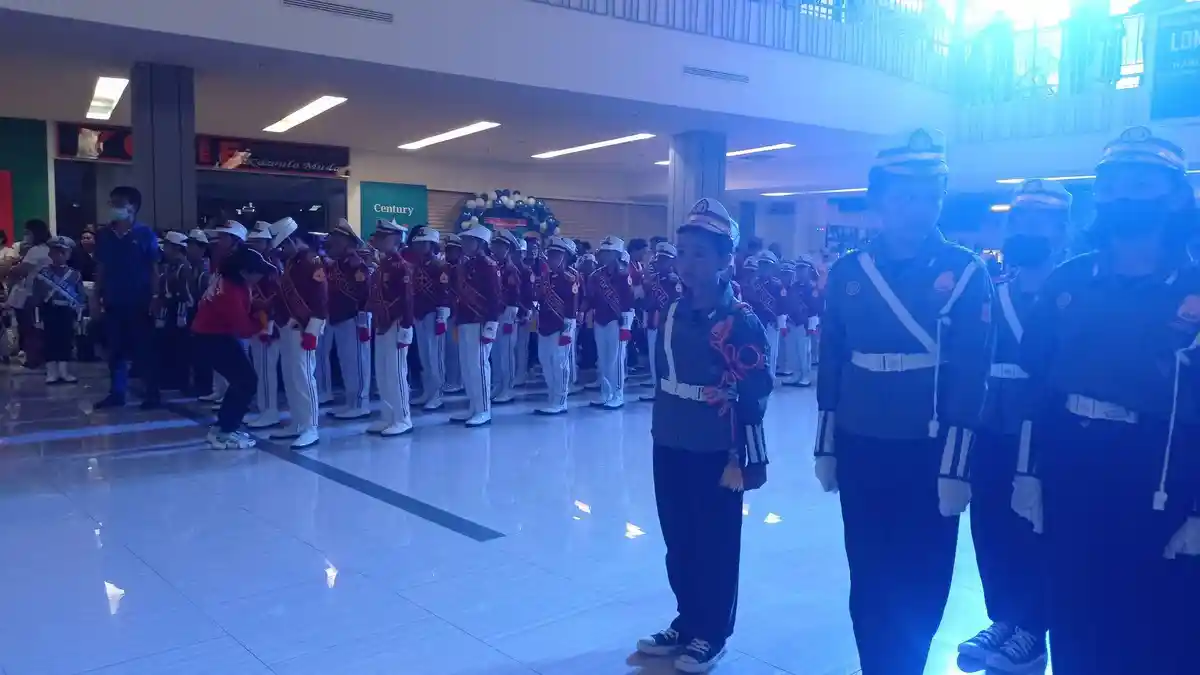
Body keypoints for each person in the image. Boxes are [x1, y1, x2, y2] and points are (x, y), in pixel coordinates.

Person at [1018, 127, 1200, 675]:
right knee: (1076, 617)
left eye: (1141, 185)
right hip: (1072, 468)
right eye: (1114, 185)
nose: (1125, 197)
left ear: (1174, 195)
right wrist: (1028, 472)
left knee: (1161, 631)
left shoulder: (1193, 285)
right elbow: (1037, 387)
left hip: (1163, 473)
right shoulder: (1068, 282)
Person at [813, 129, 994, 675]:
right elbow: (832, 359)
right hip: (861, 440)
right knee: (868, 571)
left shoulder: (966, 271)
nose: (918, 207)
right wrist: (826, 445)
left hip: (928, 446)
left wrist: (957, 467)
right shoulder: (849, 272)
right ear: (880, 199)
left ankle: (906, 666)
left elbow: (972, 373)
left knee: (924, 575)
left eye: (929, 195)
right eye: (905, 195)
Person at [637, 198, 772, 673]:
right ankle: (687, 619)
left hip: (716, 446)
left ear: (724, 260)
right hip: (670, 437)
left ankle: (712, 631)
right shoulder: (672, 311)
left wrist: (751, 451)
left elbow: (757, 388)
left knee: (715, 541)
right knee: (678, 537)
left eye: (699, 254)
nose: (687, 263)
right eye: (682, 252)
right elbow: (662, 373)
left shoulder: (740, 319)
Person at [955, 179, 1069, 673]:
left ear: (1062, 232)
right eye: (1018, 220)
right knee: (991, 528)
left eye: (1039, 222)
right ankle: (1002, 616)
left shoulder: (1071, 294)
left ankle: (1033, 628)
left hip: (1045, 434)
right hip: (992, 427)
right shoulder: (994, 291)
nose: (1025, 230)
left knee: (1036, 532)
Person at [192, 246, 278, 450]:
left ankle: (223, 427)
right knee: (246, 381)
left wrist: (259, 307)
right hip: (212, 338)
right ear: (244, 271)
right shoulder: (230, 291)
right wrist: (264, 324)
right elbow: (244, 328)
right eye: (258, 272)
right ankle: (224, 432)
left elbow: (244, 306)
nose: (260, 277)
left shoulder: (230, 281)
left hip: (212, 335)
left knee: (243, 380)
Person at [92, 188, 162, 408]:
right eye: (112, 202)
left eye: (119, 203)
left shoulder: (145, 234)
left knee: (144, 350)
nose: (114, 207)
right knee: (115, 350)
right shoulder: (105, 235)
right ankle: (117, 393)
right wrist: (95, 296)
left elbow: (154, 269)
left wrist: (156, 296)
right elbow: (101, 268)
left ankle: (152, 393)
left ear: (133, 207)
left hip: (140, 301)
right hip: (113, 300)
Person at [268, 217, 328, 449]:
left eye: (283, 246)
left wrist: (313, 331)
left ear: (292, 241)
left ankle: (310, 426)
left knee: (304, 378)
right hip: (287, 327)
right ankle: (298, 422)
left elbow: (320, 300)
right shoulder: (293, 262)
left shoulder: (312, 261)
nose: (281, 251)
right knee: (291, 377)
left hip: (303, 328)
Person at [367, 219, 416, 436]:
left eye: (381, 237)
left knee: (396, 373)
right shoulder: (383, 265)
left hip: (396, 323)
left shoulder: (400, 266)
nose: (376, 241)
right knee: (383, 372)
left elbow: (407, 299)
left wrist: (406, 326)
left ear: (394, 239)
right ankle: (387, 416)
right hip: (382, 323)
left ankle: (403, 418)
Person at [452, 224, 502, 427]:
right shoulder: (466, 264)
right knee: (467, 366)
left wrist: (491, 324)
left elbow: (495, 297)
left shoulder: (489, 265)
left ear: (480, 243)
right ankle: (473, 406)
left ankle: (483, 410)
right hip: (465, 320)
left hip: (480, 321)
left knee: (479, 366)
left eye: (468, 240)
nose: (463, 244)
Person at [324, 219, 373, 420]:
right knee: (346, 363)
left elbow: (364, 294)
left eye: (337, 239)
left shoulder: (356, 265)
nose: (333, 242)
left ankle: (361, 404)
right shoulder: (337, 264)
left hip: (354, 318)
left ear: (348, 242)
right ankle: (351, 402)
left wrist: (362, 320)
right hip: (338, 317)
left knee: (358, 362)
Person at [198, 221, 249, 406]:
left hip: (234, 317)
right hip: (218, 317)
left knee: (234, 361)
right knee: (220, 359)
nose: (219, 241)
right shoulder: (222, 259)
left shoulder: (240, 260)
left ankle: (230, 394)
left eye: (224, 237)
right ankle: (219, 390)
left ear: (235, 240)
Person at [533, 236, 581, 415]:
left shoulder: (570, 278)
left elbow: (572, 307)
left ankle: (560, 400)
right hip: (545, 325)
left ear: (565, 257)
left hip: (561, 326)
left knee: (559, 363)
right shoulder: (546, 277)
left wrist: (567, 331)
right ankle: (552, 396)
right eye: (550, 254)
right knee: (545, 360)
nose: (551, 258)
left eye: (556, 255)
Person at [587, 236, 635, 409]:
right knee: (603, 359)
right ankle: (605, 393)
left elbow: (628, 302)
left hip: (617, 321)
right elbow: (591, 298)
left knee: (617, 359)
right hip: (600, 320)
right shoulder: (596, 275)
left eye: (609, 252)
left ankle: (618, 394)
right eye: (603, 252)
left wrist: (626, 326)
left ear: (617, 254)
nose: (604, 256)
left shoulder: (624, 275)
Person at [244, 223, 282, 429]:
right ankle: (263, 409)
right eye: (251, 242)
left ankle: (270, 411)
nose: (253, 245)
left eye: (257, 242)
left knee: (267, 370)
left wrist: (269, 326)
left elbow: (275, 299)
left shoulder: (272, 266)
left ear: (268, 243)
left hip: (267, 324)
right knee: (259, 369)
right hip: (254, 321)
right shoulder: (254, 263)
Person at [35, 236, 85, 384]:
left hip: (67, 311)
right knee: (49, 340)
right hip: (49, 310)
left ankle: (64, 371)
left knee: (66, 340)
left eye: (63, 252)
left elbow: (80, 296)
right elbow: (36, 296)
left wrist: (79, 317)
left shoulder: (75, 274)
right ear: (50, 253)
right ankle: (51, 372)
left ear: (69, 254)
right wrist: (37, 318)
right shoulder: (43, 273)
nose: (59, 255)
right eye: (56, 251)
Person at [6, 219, 53, 369]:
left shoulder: (36, 251)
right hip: (43, 294)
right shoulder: (48, 249)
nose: (25, 236)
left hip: (30, 294)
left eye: (27, 232)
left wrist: (11, 269)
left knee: (29, 328)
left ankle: (33, 358)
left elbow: (20, 270)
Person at [640, 241, 681, 402]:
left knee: (670, 359)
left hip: (671, 325)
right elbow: (646, 302)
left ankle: (669, 390)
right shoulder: (652, 280)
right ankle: (656, 389)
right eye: (659, 260)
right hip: (653, 322)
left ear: (673, 261)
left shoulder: (678, 281)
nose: (661, 263)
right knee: (654, 358)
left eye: (665, 260)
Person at [490, 229, 523, 404]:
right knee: (495, 353)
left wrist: (510, 319)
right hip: (494, 314)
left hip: (507, 314)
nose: (495, 249)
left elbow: (514, 296)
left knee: (506, 353)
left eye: (500, 246)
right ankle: (497, 384)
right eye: (494, 245)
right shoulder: (492, 266)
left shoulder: (511, 270)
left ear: (507, 249)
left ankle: (507, 388)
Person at [744, 251, 787, 383]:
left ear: (772, 267)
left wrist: (781, 323)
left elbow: (782, 305)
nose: (764, 268)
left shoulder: (777, 284)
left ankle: (771, 377)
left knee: (772, 352)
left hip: (771, 323)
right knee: (758, 350)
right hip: (757, 321)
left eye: (767, 265)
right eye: (762, 265)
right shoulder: (753, 283)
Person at [515, 232, 544, 387]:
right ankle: (522, 369)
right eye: (531, 248)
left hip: (534, 310)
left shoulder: (542, 265)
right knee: (520, 342)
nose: (533, 251)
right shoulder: (519, 266)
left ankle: (530, 366)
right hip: (521, 308)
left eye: (536, 248)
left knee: (531, 339)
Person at [443, 234, 465, 394]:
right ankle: (452, 379)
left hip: (457, 314)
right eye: (448, 250)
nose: (449, 253)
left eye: (453, 250)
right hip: (448, 313)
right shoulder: (446, 267)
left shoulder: (461, 269)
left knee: (455, 349)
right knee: (450, 348)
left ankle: (457, 381)